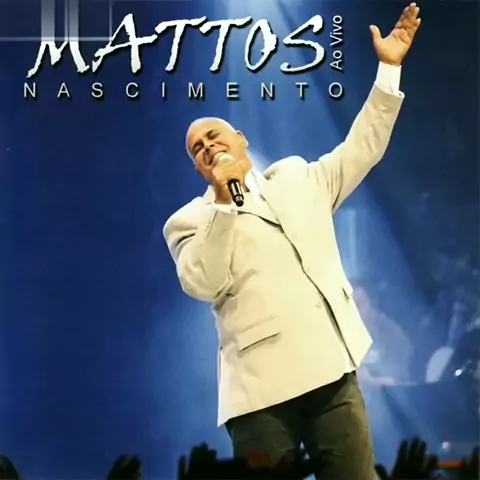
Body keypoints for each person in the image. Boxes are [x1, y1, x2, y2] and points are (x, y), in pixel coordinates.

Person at [163, 4, 421, 479]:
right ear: (198, 168)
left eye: (213, 136)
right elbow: (204, 282)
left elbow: (362, 147)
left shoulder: (299, 178)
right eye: (197, 149)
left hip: (331, 373)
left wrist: (389, 70)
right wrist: (224, 202)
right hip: (258, 397)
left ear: (240, 139)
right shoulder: (189, 221)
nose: (207, 147)